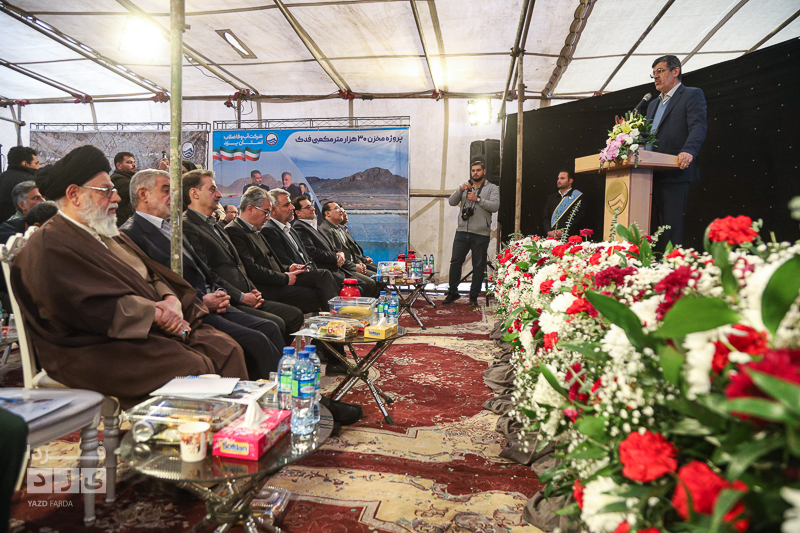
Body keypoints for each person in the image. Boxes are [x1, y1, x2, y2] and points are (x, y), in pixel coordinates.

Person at [12, 145, 247, 408]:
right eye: (106, 190)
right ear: (74, 195)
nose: (117, 198)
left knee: (225, 348)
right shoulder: (51, 244)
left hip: (146, 330)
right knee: (191, 364)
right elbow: (87, 306)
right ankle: (184, 431)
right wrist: (156, 314)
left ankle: (234, 426)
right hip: (94, 347)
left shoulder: (106, 234)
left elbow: (152, 273)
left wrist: (170, 299)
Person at [121, 169, 284, 379]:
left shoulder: (171, 226)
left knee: (270, 327)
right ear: (143, 194)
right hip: (190, 311)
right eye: (166, 190)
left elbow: (202, 269)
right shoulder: (131, 234)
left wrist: (219, 292)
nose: (173, 196)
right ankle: (268, 393)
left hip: (213, 302)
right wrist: (202, 300)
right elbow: (152, 284)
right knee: (256, 340)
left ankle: (285, 389)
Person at [182, 170, 303, 344]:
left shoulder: (214, 225)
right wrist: (240, 296)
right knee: (272, 325)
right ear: (194, 193)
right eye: (213, 189)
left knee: (293, 315)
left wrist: (252, 291)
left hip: (245, 293)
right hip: (227, 299)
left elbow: (238, 265)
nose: (219, 195)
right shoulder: (188, 226)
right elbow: (207, 272)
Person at [225, 187, 339, 313]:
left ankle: (337, 317)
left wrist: (288, 268)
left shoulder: (254, 229)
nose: (268, 218)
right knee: (317, 292)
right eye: (266, 212)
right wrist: (285, 277)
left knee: (323, 277)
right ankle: (336, 318)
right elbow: (251, 269)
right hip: (265, 287)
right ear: (250, 209)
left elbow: (270, 260)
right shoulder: (234, 230)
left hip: (276, 279)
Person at [646, 54, 707, 248]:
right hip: (648, 173)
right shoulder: (652, 104)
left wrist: (688, 150)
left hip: (674, 170)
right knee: (651, 227)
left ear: (675, 71)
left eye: (660, 71)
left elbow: (698, 126)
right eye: (653, 73)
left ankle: (671, 263)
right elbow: (650, 136)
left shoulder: (691, 94)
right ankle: (652, 263)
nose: (656, 76)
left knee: (671, 226)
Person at [289, 195, 377, 296]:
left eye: (312, 205)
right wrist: (336, 257)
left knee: (369, 282)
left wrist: (339, 253)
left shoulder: (314, 226)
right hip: (327, 270)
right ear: (298, 212)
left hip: (337, 268)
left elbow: (331, 247)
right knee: (365, 285)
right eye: (308, 207)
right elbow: (311, 252)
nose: (313, 208)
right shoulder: (300, 227)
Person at [443, 159, 499, 307]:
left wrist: (478, 199)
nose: (475, 173)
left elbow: (495, 206)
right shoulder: (465, 186)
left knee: (478, 266)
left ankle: (473, 295)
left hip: (481, 233)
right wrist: (460, 190)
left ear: (484, 171)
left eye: (478, 170)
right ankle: (452, 292)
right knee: (455, 262)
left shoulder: (492, 188)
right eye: (473, 170)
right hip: (462, 231)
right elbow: (451, 202)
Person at [111, 151, 168, 227]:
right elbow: (138, 187)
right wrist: (160, 172)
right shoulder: (117, 180)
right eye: (129, 162)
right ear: (119, 165)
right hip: (124, 225)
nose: (134, 165)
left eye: (133, 162)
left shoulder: (129, 178)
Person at [319, 201, 377, 276]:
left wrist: (360, 263)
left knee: (381, 274)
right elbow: (334, 256)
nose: (341, 211)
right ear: (327, 213)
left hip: (353, 264)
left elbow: (351, 252)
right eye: (337, 208)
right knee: (374, 280)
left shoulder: (339, 229)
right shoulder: (326, 229)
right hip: (344, 269)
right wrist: (355, 266)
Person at [0, 146, 39, 222]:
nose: (39, 166)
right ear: (25, 163)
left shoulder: (1, 177)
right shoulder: (31, 181)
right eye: (36, 163)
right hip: (22, 224)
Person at [541, 170, 585, 239]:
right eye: (558, 178)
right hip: (552, 237)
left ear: (570, 181)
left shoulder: (578, 197)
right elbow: (546, 217)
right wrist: (548, 231)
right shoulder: (552, 197)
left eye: (562, 178)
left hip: (570, 237)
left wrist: (564, 231)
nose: (558, 181)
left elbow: (579, 218)